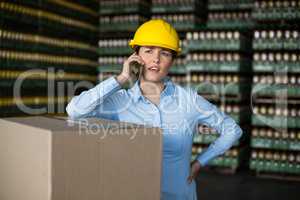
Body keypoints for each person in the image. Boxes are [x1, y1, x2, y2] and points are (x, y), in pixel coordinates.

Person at [66, 19, 242, 200]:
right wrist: (121, 78)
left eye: (164, 53)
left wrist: (199, 162)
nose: (155, 59)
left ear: (172, 61)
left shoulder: (189, 100)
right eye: (148, 51)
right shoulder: (120, 102)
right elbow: (75, 110)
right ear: (136, 55)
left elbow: (232, 130)